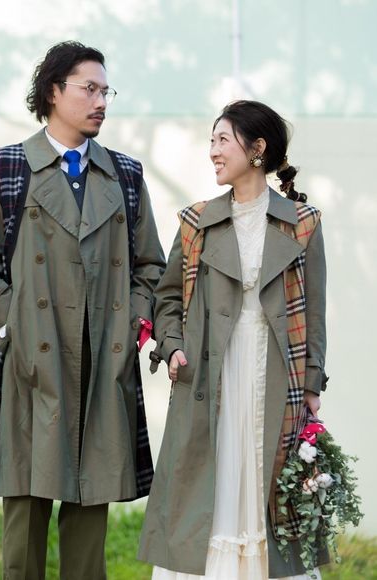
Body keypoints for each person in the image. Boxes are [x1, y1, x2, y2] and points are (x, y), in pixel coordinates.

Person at [0, 41, 165, 580]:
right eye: (89, 89)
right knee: (24, 513)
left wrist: (132, 324)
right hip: (34, 360)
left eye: (106, 91)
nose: (101, 102)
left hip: (103, 360)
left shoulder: (125, 174)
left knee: (90, 517)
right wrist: (14, 321)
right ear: (53, 92)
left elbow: (150, 266)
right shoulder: (6, 168)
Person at [138, 100, 329, 579]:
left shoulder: (302, 222)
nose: (213, 151)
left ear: (257, 148)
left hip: (275, 375)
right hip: (209, 374)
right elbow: (166, 298)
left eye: (223, 139)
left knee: (271, 488)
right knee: (208, 489)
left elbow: (315, 311)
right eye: (212, 140)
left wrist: (311, 384)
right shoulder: (196, 222)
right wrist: (171, 344)